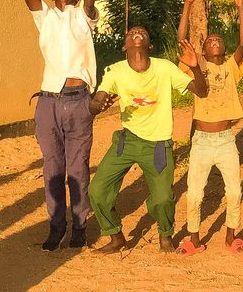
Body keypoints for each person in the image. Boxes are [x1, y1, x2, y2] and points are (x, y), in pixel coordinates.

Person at [17, 0, 98, 251]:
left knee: (77, 168)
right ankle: (56, 227)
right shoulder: (45, 17)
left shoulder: (83, 16)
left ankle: (79, 227)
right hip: (48, 101)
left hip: (78, 99)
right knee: (52, 168)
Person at [87, 27, 207, 253]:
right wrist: (97, 105)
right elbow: (97, 101)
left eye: (143, 31)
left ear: (150, 45)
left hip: (158, 145)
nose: (137, 32)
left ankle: (165, 236)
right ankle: (116, 237)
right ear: (124, 46)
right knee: (97, 190)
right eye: (131, 32)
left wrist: (195, 68)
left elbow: (201, 91)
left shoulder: (164, 68)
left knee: (163, 198)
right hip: (127, 141)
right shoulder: (115, 71)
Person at [175, 0, 243, 256]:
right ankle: (193, 239)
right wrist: (188, 3)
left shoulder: (232, 66)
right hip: (202, 141)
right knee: (195, 193)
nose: (215, 40)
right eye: (209, 41)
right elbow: (181, 38)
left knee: (235, 192)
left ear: (224, 48)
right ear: (204, 51)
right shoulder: (198, 65)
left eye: (219, 39)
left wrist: (241, 8)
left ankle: (232, 237)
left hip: (226, 140)